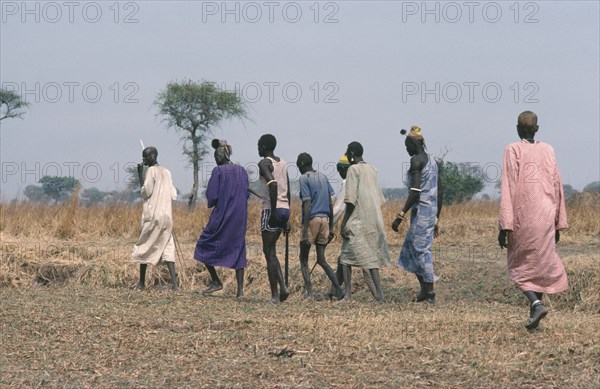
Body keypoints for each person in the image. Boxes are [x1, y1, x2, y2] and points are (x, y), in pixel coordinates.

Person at [498, 111, 568, 329]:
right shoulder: (548, 149)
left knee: (518, 266)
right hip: (547, 213)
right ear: (536, 129)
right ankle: (534, 318)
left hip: (523, 216)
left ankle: (536, 304)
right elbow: (557, 184)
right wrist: (558, 221)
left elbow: (508, 186)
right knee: (539, 264)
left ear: (518, 128)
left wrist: (505, 225)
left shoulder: (513, 149)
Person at [392, 126, 443, 304]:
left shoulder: (416, 161)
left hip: (422, 212)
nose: (406, 149)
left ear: (415, 143)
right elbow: (440, 191)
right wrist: (437, 217)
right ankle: (423, 290)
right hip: (429, 212)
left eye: (408, 146)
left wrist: (400, 215)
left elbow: (414, 192)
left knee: (421, 251)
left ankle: (430, 293)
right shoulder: (434, 162)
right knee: (410, 249)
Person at [194, 139, 249, 298]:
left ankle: (216, 281)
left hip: (222, 216)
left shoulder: (218, 172)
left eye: (216, 157)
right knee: (239, 248)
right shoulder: (242, 170)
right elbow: (246, 194)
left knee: (204, 244)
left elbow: (212, 198)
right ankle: (240, 292)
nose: (216, 159)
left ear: (220, 157)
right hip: (239, 218)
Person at [339, 141, 391, 302]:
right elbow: (379, 197)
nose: (347, 156)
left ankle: (347, 295)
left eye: (348, 154)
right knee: (371, 258)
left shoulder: (353, 170)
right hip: (374, 218)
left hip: (358, 219)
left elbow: (350, 200)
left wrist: (343, 223)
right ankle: (379, 294)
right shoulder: (372, 169)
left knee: (345, 257)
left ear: (352, 155)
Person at [327, 154, 376, 300]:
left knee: (354, 261)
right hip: (368, 224)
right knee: (343, 259)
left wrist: (329, 225)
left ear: (344, 170)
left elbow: (340, 208)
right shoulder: (364, 180)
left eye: (340, 171)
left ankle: (375, 295)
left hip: (355, 227)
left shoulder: (347, 182)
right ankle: (333, 291)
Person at [297, 152, 344, 301]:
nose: (298, 167)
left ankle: (310, 294)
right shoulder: (323, 177)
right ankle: (339, 290)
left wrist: (304, 231)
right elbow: (331, 202)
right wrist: (330, 226)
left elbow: (307, 203)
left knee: (303, 259)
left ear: (303, 164)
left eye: (298, 165)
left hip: (313, 220)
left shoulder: (304, 178)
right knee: (322, 259)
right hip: (325, 219)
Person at [131, 146, 179, 290]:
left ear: (153, 157)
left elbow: (145, 192)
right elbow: (173, 194)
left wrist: (140, 174)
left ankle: (141, 283)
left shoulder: (151, 171)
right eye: (143, 157)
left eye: (145, 157)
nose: (143, 159)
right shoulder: (167, 172)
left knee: (145, 245)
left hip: (153, 217)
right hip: (167, 217)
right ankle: (175, 286)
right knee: (168, 247)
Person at [257, 134, 291, 304]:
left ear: (263, 147)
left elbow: (273, 184)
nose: (257, 149)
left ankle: (275, 296)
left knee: (269, 252)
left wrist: (273, 211)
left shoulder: (264, 163)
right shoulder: (283, 163)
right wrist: (287, 214)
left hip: (271, 209)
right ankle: (283, 288)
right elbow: (289, 189)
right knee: (272, 252)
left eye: (258, 145)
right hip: (285, 209)